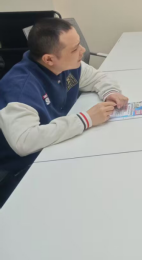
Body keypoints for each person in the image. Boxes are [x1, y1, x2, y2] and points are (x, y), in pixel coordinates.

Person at [0, 19, 129, 207]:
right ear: (49, 59)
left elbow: (96, 78)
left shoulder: (66, 66)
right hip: (26, 169)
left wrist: (110, 92)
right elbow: (24, 141)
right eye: (75, 49)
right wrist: (85, 119)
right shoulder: (21, 88)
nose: (82, 51)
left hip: (58, 147)